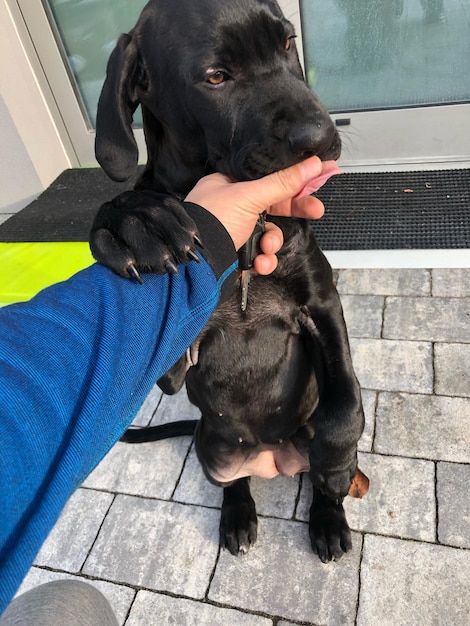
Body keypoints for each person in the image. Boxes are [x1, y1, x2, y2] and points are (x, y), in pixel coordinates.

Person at [0, 156, 326, 622]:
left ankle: (325, 498)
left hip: (294, 406)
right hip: (224, 422)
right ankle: (235, 492)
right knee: (77, 603)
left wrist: (203, 243)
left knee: (76, 604)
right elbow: (170, 382)